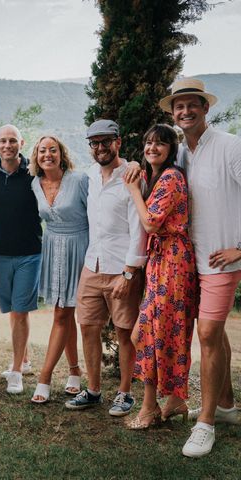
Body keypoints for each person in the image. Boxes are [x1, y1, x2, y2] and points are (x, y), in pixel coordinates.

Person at [158, 78, 241, 457]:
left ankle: (204, 424)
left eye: (192, 104)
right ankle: (224, 407)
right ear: (173, 113)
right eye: (179, 106)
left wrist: (240, 249)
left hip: (223, 261)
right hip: (191, 262)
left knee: (207, 334)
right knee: (214, 334)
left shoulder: (230, 146)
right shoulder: (182, 156)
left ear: (205, 108)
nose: (185, 111)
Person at [65, 119, 147, 416]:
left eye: (106, 141)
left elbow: (140, 230)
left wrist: (129, 273)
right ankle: (94, 390)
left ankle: (125, 394)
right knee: (87, 326)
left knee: (125, 332)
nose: (100, 148)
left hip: (121, 267)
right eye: (94, 143)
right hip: (92, 264)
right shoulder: (90, 176)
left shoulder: (132, 176)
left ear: (118, 142)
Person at [124, 124, 197, 428]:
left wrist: (132, 192)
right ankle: (174, 399)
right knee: (151, 333)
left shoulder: (170, 177)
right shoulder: (157, 177)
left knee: (151, 334)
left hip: (173, 263)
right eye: (148, 142)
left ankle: (149, 408)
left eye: (160, 143)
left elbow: (152, 221)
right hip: (162, 260)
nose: (153, 147)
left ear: (172, 149)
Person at [0, 124, 42, 394]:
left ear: (21, 142)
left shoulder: (33, 171)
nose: (8, 145)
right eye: (3, 141)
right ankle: (25, 359)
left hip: (30, 251)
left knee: (20, 311)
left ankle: (15, 370)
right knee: (12, 310)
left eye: (13, 141)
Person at [28, 135, 87, 403]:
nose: (47, 154)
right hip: (53, 248)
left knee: (62, 315)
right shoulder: (34, 184)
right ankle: (75, 371)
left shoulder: (79, 180)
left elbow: (95, 216)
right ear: (36, 156)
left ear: (61, 154)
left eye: (53, 150)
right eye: (42, 151)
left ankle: (45, 377)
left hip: (80, 248)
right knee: (64, 312)